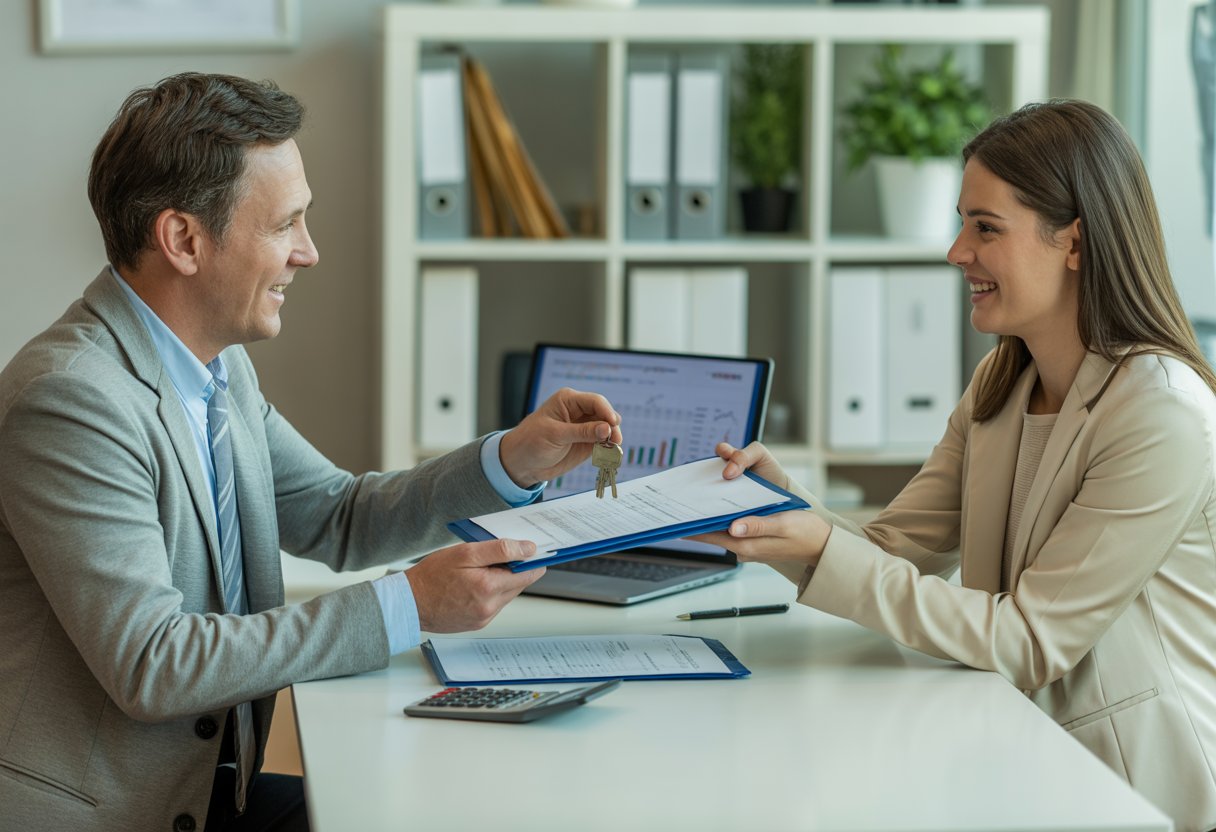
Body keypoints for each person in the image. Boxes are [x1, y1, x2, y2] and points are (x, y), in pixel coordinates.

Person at [0, 73, 621, 832]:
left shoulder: (215, 368)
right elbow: (151, 662)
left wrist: (511, 461)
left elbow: (340, 515)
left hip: (205, 792)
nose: (309, 253)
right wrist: (408, 605)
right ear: (184, 240)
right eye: (285, 224)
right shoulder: (70, 401)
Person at [696, 99, 1216, 832]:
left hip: (1130, 783)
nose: (955, 252)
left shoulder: (1161, 412)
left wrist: (816, 543)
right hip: (1013, 745)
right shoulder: (1003, 384)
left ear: (1075, 241)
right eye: (961, 223)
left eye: (985, 228)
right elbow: (891, 550)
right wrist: (780, 508)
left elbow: (1033, 642)